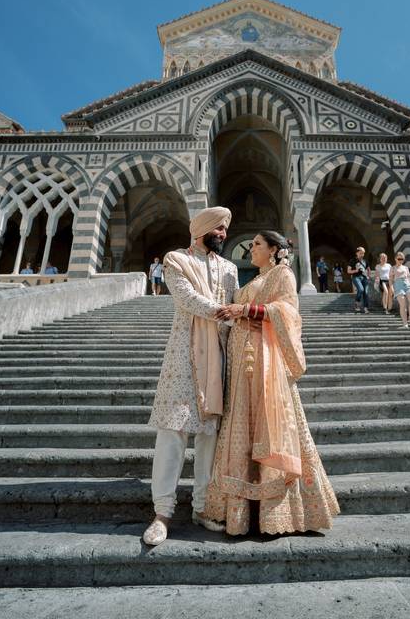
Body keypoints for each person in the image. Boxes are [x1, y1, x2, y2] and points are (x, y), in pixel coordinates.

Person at [207, 231, 340, 535]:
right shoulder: (254, 279)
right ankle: (242, 513)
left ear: (274, 250)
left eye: (256, 244)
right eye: (251, 244)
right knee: (242, 427)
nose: (251, 249)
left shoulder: (282, 274)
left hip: (266, 363)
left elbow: (289, 312)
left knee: (272, 424)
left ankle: (276, 512)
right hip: (242, 364)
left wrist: (246, 310)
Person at [142, 207, 240, 546]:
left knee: (209, 436)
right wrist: (226, 312)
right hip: (183, 356)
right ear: (203, 229)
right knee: (173, 432)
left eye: (227, 230)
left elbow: (237, 301)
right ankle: (162, 514)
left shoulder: (229, 268)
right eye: (219, 229)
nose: (224, 235)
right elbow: (186, 299)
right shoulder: (175, 260)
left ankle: (201, 508)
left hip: (219, 356)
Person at [389, 251, 410, 328]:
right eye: (399, 258)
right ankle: (405, 323)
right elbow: (391, 279)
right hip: (398, 285)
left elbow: (408, 277)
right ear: (395, 259)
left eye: (402, 259)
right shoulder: (393, 268)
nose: (400, 260)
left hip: (407, 284)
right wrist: (391, 288)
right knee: (403, 304)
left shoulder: (406, 268)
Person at [349, 247, 370, 313]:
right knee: (361, 289)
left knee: (366, 293)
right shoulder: (352, 261)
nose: (362, 254)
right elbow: (348, 271)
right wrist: (356, 270)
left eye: (363, 253)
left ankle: (366, 308)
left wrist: (368, 276)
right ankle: (357, 303)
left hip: (364, 277)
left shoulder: (365, 261)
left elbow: (368, 269)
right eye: (360, 253)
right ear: (357, 253)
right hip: (356, 277)